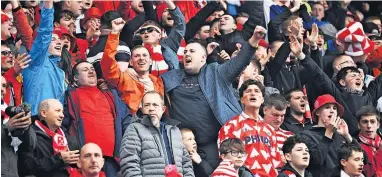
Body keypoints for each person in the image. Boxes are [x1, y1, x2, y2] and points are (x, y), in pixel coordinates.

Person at [161, 26, 266, 169]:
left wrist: (254, 40)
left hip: (213, 143)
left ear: (203, 57)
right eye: (185, 52)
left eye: (192, 51)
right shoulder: (171, 77)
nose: (187, 54)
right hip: (181, 144)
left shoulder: (215, 72)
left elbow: (239, 62)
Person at [63, 61, 131, 177]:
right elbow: (62, 125)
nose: (90, 71)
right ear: (75, 78)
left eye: (92, 69)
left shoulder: (111, 94)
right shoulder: (70, 96)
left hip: (110, 160)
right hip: (83, 159)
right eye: (85, 70)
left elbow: (126, 121)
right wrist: (71, 147)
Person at [119, 91, 194, 177]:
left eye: (155, 105)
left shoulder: (174, 130)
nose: (151, 108)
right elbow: (129, 163)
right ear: (142, 108)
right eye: (147, 105)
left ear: (163, 109)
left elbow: (186, 163)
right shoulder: (134, 129)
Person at [100, 18, 164, 114]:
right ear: (131, 62)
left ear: (150, 61)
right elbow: (108, 65)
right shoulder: (124, 78)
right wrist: (114, 33)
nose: (141, 58)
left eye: (144, 55)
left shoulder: (157, 82)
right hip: (134, 123)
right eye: (137, 56)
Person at [218, 79, 281, 176]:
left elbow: (276, 162)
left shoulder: (270, 129)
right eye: (248, 91)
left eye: (256, 91)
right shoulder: (230, 126)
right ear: (242, 99)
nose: (253, 94)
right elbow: (226, 160)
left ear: (262, 99)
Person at [298, 94, 361, 177]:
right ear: (317, 112)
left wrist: (346, 135)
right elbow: (315, 163)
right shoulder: (306, 135)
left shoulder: (341, 135)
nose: (332, 111)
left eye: (334, 108)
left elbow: (364, 159)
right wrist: (328, 134)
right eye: (327, 107)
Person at [23, 0, 66, 116]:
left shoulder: (61, 72)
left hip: (54, 125)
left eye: (59, 40)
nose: (58, 43)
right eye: (53, 40)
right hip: (34, 122)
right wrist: (48, 4)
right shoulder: (36, 62)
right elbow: (44, 34)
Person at [19, 99, 80, 177]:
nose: (62, 115)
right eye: (58, 111)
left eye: (62, 112)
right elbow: (26, 167)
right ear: (44, 113)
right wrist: (59, 159)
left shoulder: (70, 140)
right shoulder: (29, 136)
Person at [1, 75, 35, 177]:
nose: (3, 90)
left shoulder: (9, 112)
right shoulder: (8, 122)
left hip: (12, 172)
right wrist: (7, 128)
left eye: (4, 86)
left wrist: (26, 126)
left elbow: (31, 145)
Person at [356, 105, 382, 177]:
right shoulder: (356, 147)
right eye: (365, 122)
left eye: (372, 122)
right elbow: (370, 174)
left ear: (378, 125)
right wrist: (380, 152)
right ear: (359, 125)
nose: (369, 126)